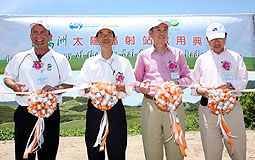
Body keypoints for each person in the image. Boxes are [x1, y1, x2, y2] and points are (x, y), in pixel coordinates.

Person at [3, 21, 74, 160]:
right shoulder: (20, 57)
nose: (38, 36)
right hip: (25, 112)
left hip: (50, 113)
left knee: (48, 154)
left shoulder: (60, 59)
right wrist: (13, 85)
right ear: (30, 36)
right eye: (35, 32)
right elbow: (7, 77)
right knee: (24, 154)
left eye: (43, 32)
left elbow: (69, 84)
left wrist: (55, 89)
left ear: (50, 36)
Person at [134, 20, 192, 160]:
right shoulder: (143, 55)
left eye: (165, 30)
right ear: (150, 33)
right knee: (152, 146)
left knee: (176, 146)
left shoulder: (177, 53)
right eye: (158, 30)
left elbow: (188, 78)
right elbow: (135, 81)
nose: (162, 33)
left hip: (174, 105)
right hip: (151, 105)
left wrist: (177, 83)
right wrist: (141, 87)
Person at [191, 23, 248, 160]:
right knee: (211, 152)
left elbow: (243, 80)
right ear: (207, 40)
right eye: (212, 39)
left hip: (231, 108)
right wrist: (200, 89)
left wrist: (230, 85)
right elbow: (193, 83)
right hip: (208, 110)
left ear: (226, 37)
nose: (216, 42)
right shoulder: (201, 59)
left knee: (237, 149)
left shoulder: (236, 57)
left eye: (219, 38)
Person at [77, 26, 136, 160]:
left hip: (116, 110)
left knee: (117, 151)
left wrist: (121, 88)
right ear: (96, 39)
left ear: (114, 39)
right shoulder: (90, 62)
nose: (105, 38)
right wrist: (94, 88)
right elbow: (81, 88)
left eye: (109, 34)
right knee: (94, 151)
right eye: (102, 35)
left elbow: (130, 88)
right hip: (94, 110)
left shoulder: (123, 62)